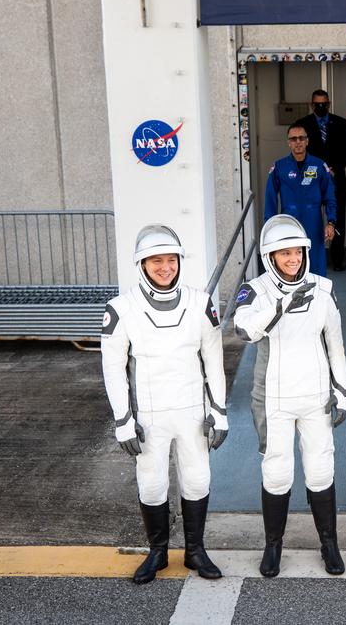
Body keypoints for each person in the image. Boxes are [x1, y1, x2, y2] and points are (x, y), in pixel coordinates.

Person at [100, 224, 228, 584]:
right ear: (141, 264)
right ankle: (157, 552)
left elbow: (214, 362)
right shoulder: (120, 308)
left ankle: (195, 552)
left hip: (192, 412)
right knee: (152, 486)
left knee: (197, 480)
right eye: (156, 261)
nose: (165, 267)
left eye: (171, 260)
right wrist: (123, 419)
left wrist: (219, 412)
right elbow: (113, 369)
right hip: (149, 417)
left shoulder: (201, 303)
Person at [232, 214, 346, 577]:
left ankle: (329, 543)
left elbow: (336, 345)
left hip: (315, 395)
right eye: (284, 253)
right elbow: (243, 329)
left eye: (297, 251)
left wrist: (343, 392)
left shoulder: (323, 288)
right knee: (277, 472)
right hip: (274, 398)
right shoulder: (254, 290)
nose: (292, 259)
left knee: (320, 471)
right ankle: (273, 546)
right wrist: (280, 305)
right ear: (270, 257)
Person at [265, 124, 338, 277]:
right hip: (289, 222)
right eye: (293, 138)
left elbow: (330, 196)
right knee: (291, 263)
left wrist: (331, 222)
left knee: (315, 263)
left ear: (307, 141)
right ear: (288, 142)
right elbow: (270, 198)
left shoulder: (318, 165)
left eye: (301, 138)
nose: (298, 142)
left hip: (314, 221)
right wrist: (270, 226)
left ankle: (318, 297)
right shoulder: (279, 167)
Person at [293, 89, 346, 271]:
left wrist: (334, 168)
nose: (321, 107)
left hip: (336, 178)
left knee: (337, 219)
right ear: (312, 105)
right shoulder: (302, 124)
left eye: (324, 104)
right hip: (310, 179)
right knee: (310, 218)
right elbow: (298, 150)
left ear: (329, 104)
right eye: (317, 104)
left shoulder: (341, 123)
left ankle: (337, 259)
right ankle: (309, 258)